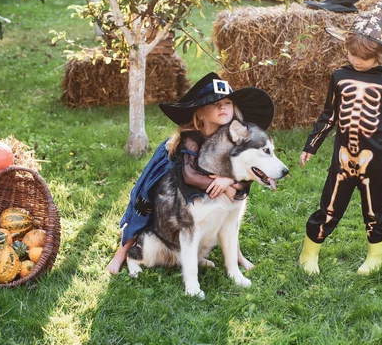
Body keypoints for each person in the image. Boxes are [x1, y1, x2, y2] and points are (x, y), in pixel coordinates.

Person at [107, 72, 275, 274]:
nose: (222, 106)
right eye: (215, 103)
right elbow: (189, 176)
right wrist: (227, 184)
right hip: (176, 173)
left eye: (227, 102)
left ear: (235, 109)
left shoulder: (238, 136)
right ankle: (122, 252)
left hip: (210, 183)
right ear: (201, 112)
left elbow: (244, 172)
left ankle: (236, 255)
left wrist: (229, 181)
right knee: (146, 200)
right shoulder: (191, 138)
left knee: (232, 205)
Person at [298, 0, 382, 276]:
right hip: (343, 157)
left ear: (380, 55)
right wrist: (311, 146)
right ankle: (309, 252)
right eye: (352, 54)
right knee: (329, 205)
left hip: (377, 159)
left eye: (362, 57)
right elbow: (330, 115)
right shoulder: (339, 76)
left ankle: (375, 256)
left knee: (376, 208)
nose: (355, 60)